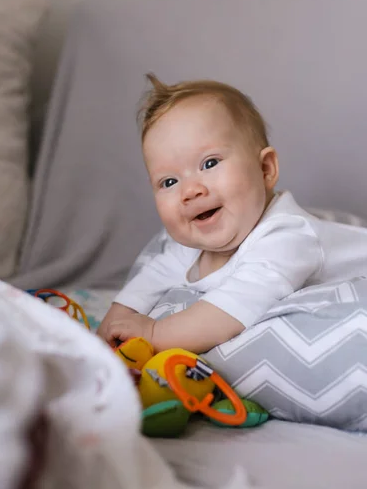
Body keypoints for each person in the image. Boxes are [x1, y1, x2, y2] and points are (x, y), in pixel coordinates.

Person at [97, 74, 367, 354]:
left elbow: (228, 312)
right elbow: (153, 277)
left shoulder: (287, 238)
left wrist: (153, 333)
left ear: (265, 169)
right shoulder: (191, 248)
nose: (190, 190)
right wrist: (116, 322)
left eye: (209, 163)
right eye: (169, 182)